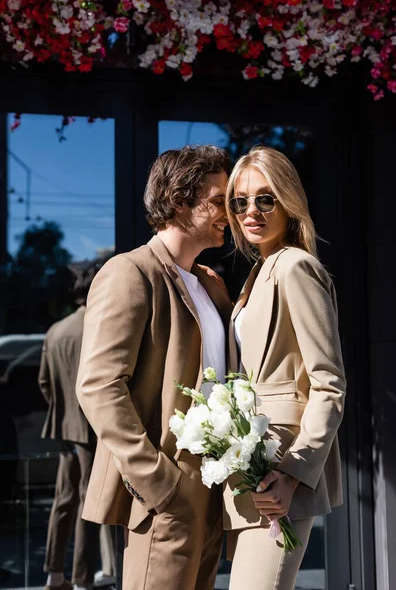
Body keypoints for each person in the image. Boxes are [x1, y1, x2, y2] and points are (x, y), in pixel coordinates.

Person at [76, 145, 233, 590]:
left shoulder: (210, 281)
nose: (231, 212)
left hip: (215, 481)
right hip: (169, 483)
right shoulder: (130, 272)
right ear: (180, 200)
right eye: (218, 199)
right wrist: (159, 482)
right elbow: (99, 386)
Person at [224, 146, 346, 590]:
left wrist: (293, 474)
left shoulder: (295, 266)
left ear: (288, 199)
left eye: (265, 198)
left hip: (281, 470)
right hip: (253, 467)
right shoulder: (259, 271)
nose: (250, 211)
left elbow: (329, 383)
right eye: (239, 201)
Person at [39, 267, 100, 590]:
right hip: (92, 429)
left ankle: (53, 574)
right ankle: (82, 579)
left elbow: (44, 383)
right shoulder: (96, 326)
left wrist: (63, 412)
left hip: (65, 427)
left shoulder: (56, 330)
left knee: (63, 501)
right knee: (87, 502)